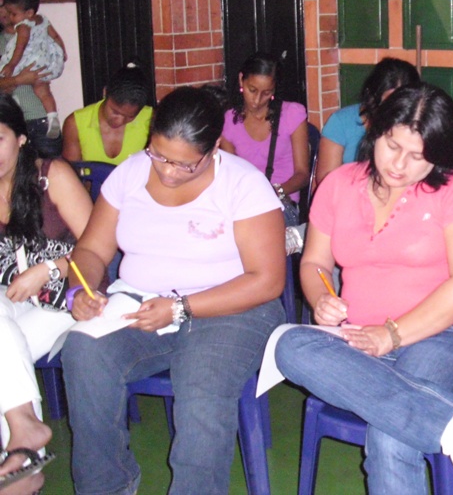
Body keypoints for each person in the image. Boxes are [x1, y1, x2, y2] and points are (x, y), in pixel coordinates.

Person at [61, 87, 287, 495]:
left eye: (185, 164)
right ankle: (107, 486)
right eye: (159, 155)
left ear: (213, 148)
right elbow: (92, 249)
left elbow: (267, 280)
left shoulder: (244, 185)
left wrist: (181, 307)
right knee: (84, 351)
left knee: (201, 389)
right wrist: (81, 288)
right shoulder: (130, 173)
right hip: (142, 301)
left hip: (233, 308)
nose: (167, 172)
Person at [275, 84, 453, 494]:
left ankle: (434, 417)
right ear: (375, 132)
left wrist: (391, 335)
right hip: (357, 337)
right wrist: (321, 296)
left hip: (446, 336)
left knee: (391, 435)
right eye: (392, 146)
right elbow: (314, 263)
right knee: (288, 345)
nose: (399, 164)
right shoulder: (339, 184)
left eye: (418, 156)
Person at [0, 97, 94, 477]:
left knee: (4, 360)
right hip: (13, 297)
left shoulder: (52, 175)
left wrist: (47, 270)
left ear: (21, 138)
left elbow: (97, 247)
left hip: (69, 295)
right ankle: (24, 443)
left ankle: (22, 468)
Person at [221, 51, 309, 226]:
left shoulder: (292, 114)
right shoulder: (229, 120)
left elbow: (303, 175)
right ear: (241, 80)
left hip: (282, 203)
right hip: (245, 203)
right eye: (252, 90)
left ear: (274, 90)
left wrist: (276, 191)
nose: (257, 100)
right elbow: (230, 173)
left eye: (266, 93)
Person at [315, 57, 419, 188]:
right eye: (390, 100)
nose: (396, 107)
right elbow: (326, 180)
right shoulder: (342, 121)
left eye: (403, 101)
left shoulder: (418, 126)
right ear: (374, 95)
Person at [0, 0, 61, 159]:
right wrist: (19, 79)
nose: (3, 13)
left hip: (40, 116)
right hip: (9, 123)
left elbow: (55, 59)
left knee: (50, 169)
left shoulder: (37, 30)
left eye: (4, 6)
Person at [61, 59, 153, 164]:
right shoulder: (75, 124)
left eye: (130, 117)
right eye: (115, 112)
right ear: (105, 92)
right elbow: (70, 170)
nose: (119, 121)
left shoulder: (151, 120)